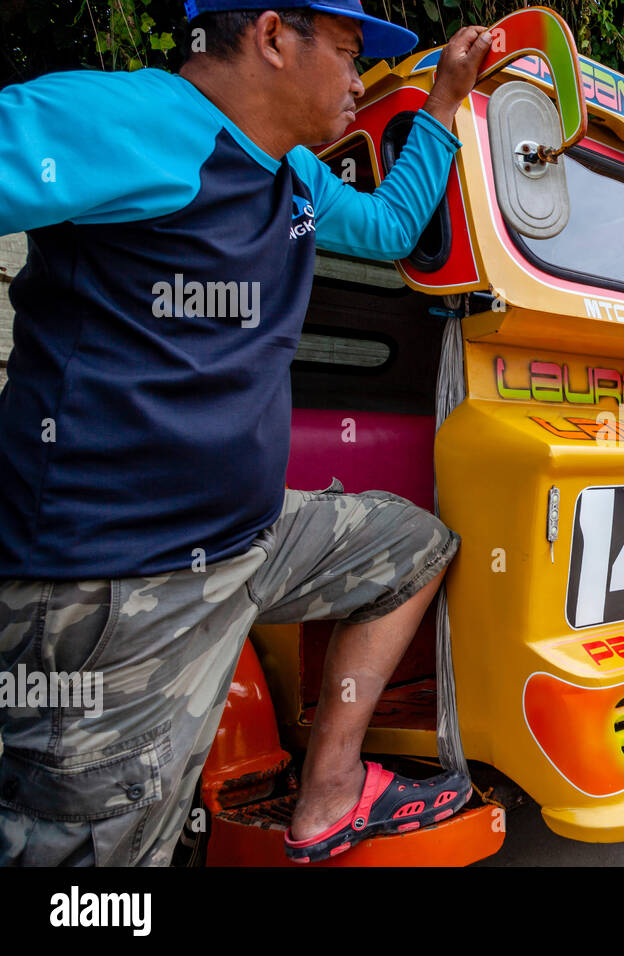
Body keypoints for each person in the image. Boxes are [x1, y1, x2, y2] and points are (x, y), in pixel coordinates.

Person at [0, 1, 492, 865]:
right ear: (270, 38)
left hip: (250, 540)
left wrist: (446, 103)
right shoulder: (138, 123)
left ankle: (330, 791)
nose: (355, 81)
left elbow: (386, 230)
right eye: (345, 54)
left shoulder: (289, 174)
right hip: (123, 586)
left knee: (414, 546)